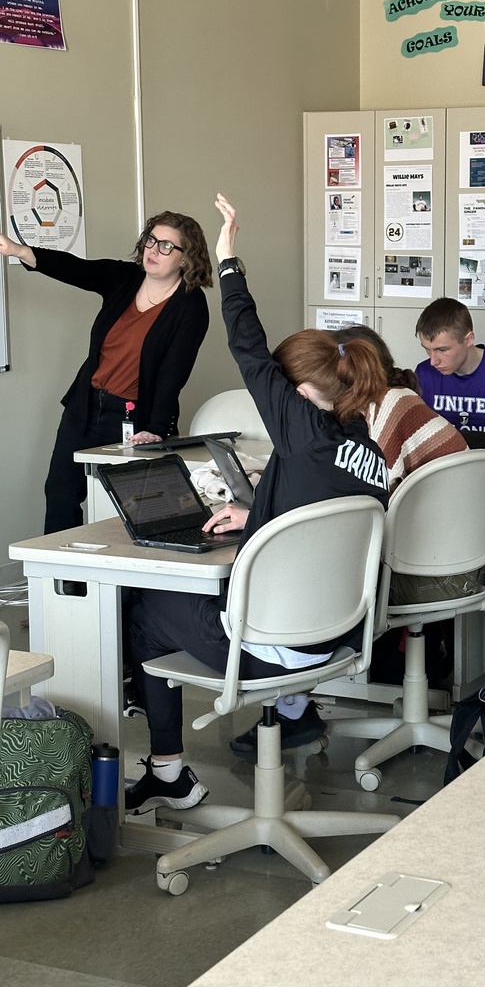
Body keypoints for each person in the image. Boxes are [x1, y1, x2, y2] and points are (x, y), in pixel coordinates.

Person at [123, 195, 390, 811]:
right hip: (334, 635)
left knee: (141, 606)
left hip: (271, 645)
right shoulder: (363, 444)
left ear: (298, 392)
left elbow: (247, 342)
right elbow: (317, 517)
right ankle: (271, 719)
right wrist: (258, 517)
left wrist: (228, 260)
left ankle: (167, 771)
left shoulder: (301, 430)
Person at [0, 214, 212, 533]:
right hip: (85, 406)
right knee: (60, 493)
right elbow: (77, 269)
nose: (153, 250)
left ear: (187, 257)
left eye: (167, 245)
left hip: (132, 419)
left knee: (136, 507)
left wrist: (156, 428)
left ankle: (127, 581)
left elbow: (174, 374)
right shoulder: (124, 277)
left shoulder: (190, 305)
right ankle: (65, 582)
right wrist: (19, 250)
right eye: (151, 240)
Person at [334, 324, 467, 489]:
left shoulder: (389, 402)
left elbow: (380, 484)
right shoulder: (385, 398)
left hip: (449, 501)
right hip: (444, 499)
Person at [415, 297, 485, 454]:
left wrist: (444, 441)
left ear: (468, 339)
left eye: (442, 350)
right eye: (427, 349)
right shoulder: (424, 372)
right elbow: (415, 436)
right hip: (438, 470)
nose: (433, 361)